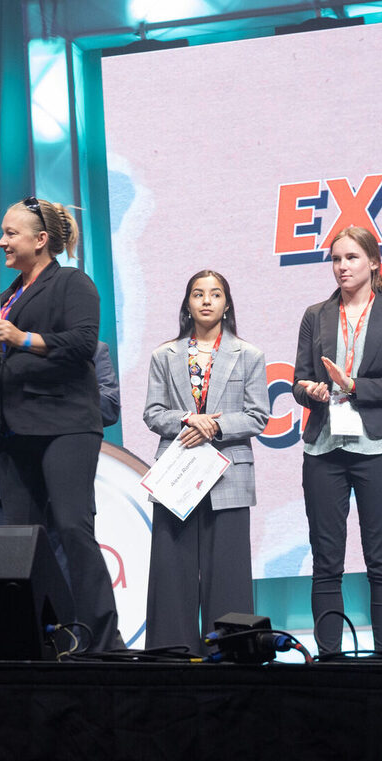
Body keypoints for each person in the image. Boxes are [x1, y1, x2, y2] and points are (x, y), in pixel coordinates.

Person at [0, 196, 123, 652]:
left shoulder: (72, 282)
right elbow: (4, 367)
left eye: (11, 233)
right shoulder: (11, 295)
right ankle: (35, 642)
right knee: (21, 540)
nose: (1, 241)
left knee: (73, 529)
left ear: (41, 240)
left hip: (65, 427)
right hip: (15, 432)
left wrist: (22, 337)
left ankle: (104, 642)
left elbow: (82, 344)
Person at [293, 226, 382, 655]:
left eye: (351, 258)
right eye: (336, 259)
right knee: (326, 562)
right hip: (324, 448)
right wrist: (310, 390)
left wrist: (354, 386)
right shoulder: (315, 315)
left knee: (381, 560)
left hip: (377, 448)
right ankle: (329, 659)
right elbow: (298, 381)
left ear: (373, 263)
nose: (342, 267)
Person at [141, 270, 270, 653]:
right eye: (198, 294)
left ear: (226, 304)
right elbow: (152, 413)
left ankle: (230, 652)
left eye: (215, 294)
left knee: (228, 573)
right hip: (177, 472)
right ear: (188, 304)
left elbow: (257, 416)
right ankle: (172, 652)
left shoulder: (249, 355)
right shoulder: (164, 355)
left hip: (228, 474)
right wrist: (187, 419)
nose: (207, 300)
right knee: (171, 570)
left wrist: (214, 425)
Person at [0, 341, 121, 525]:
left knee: (69, 541)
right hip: (1, 478)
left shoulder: (90, 348)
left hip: (67, 478)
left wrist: (49, 399)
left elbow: (109, 406)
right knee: (4, 543)